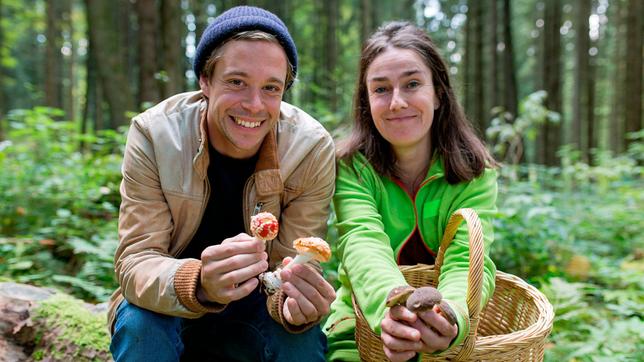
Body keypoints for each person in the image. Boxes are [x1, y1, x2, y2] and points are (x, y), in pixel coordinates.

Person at [107, 6, 337, 361]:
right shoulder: (155, 134)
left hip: (257, 307)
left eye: (271, 88)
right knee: (140, 329)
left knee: (301, 343)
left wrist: (294, 302)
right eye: (236, 82)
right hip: (165, 305)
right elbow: (136, 260)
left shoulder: (309, 147)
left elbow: (295, 260)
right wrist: (198, 281)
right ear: (204, 80)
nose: (254, 105)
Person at [323, 22, 498, 362]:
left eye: (413, 84)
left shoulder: (474, 172)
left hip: (451, 340)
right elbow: (361, 242)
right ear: (366, 101)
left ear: (438, 92)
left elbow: (468, 259)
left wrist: (450, 317)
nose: (397, 102)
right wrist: (392, 307)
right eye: (381, 89)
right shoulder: (351, 168)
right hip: (360, 325)